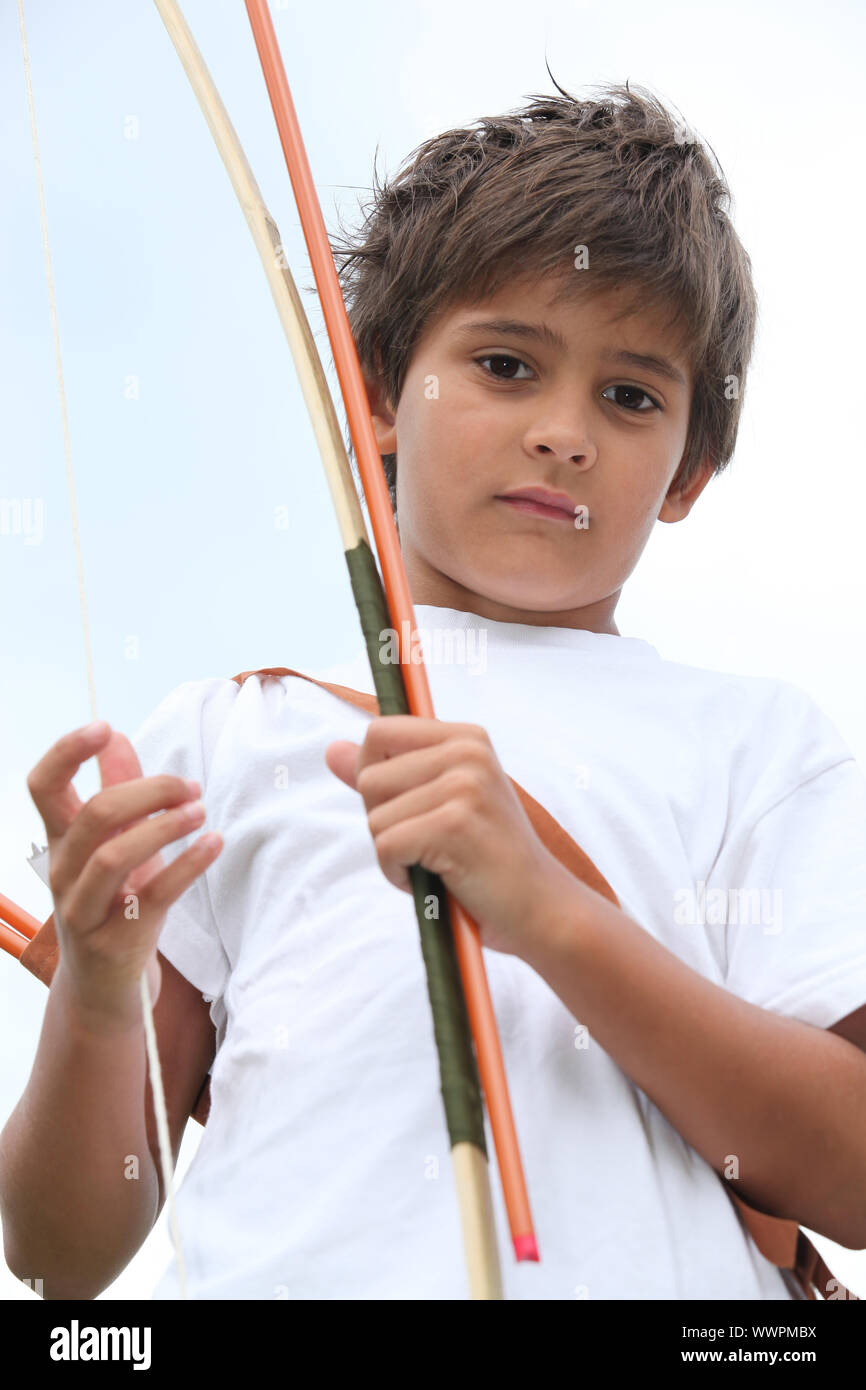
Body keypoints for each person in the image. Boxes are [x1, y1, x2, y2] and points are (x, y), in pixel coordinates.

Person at [3, 81, 866, 1301]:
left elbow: (848, 1172)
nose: (563, 433)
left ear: (689, 472)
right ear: (371, 404)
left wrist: (545, 911)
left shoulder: (756, 744)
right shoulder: (227, 733)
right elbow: (59, 1255)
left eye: (630, 396)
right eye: (505, 364)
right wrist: (96, 993)